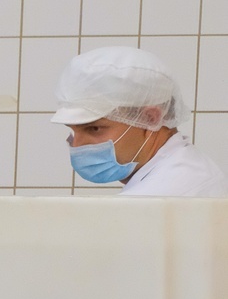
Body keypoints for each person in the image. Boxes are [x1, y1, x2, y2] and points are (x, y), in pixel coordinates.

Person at [53, 46, 228, 196]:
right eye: (73, 130)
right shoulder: (176, 171)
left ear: (150, 119)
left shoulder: (164, 194)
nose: (77, 145)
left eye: (94, 128)